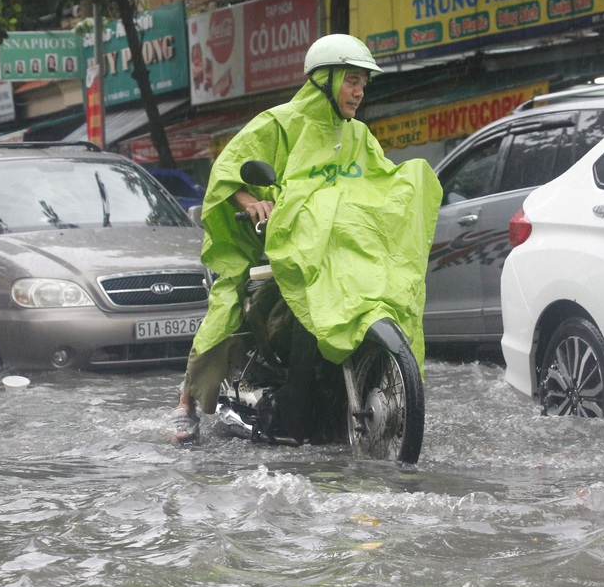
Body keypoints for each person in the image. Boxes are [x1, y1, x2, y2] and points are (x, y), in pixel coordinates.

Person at [170, 33, 441, 443]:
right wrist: (250, 203)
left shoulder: (359, 136)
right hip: (271, 247)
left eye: (364, 83)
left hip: (337, 255)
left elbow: (378, 184)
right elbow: (227, 174)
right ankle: (185, 405)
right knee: (226, 314)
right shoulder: (278, 123)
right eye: (352, 80)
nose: (359, 91)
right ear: (324, 79)